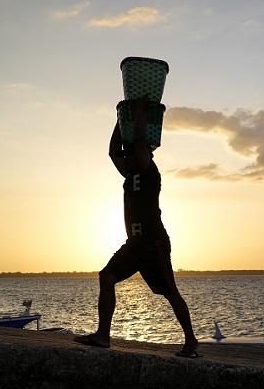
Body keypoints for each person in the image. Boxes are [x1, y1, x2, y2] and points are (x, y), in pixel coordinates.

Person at [75, 98, 200, 357]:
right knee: (106, 277)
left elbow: (141, 142)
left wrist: (140, 112)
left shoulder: (148, 170)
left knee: (169, 291)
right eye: (127, 153)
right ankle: (102, 336)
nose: (126, 157)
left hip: (153, 242)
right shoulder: (129, 173)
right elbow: (112, 152)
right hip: (134, 244)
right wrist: (121, 120)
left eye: (130, 153)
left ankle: (191, 341)